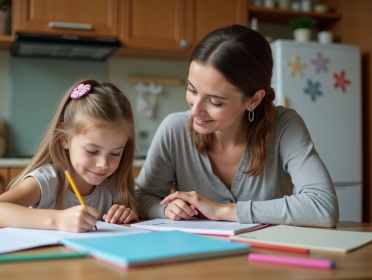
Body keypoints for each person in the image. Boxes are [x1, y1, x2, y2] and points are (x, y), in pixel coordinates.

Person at [135, 24, 339, 227]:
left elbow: (323, 206)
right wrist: (164, 209)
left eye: (215, 101)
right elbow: (141, 196)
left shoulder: (284, 126)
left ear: (253, 100)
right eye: (192, 89)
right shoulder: (174, 129)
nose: (195, 110)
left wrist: (222, 211)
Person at [0, 79, 140, 232]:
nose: (104, 164)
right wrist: (58, 220)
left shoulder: (111, 186)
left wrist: (124, 214)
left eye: (115, 153)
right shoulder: (48, 180)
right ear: (65, 139)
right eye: (92, 151)